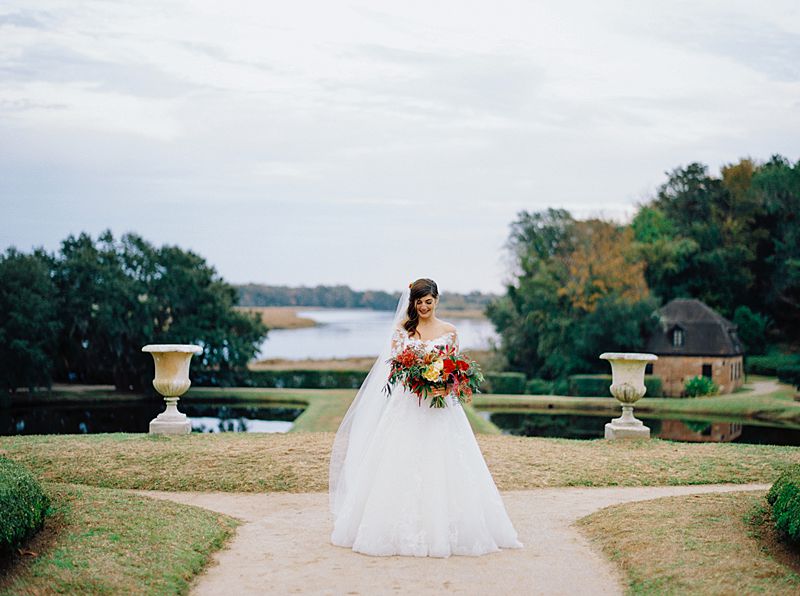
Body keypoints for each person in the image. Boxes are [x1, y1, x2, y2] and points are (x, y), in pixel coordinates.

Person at [329, 278, 523, 557]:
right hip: (408, 404)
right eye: (418, 302)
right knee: (399, 459)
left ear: (437, 299)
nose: (423, 307)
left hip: (441, 407)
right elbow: (395, 372)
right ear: (413, 303)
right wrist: (418, 381)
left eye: (428, 302)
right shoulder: (402, 332)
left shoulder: (450, 332)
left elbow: (455, 370)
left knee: (447, 461)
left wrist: (448, 384)